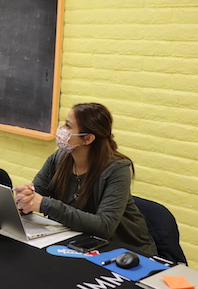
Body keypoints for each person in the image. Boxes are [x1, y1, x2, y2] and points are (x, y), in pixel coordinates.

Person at [14, 103, 157, 257]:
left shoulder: (117, 169)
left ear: (87, 138)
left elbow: (105, 226)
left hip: (123, 251)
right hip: (78, 242)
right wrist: (25, 198)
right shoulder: (59, 158)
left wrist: (45, 204)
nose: (61, 130)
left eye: (68, 126)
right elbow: (37, 191)